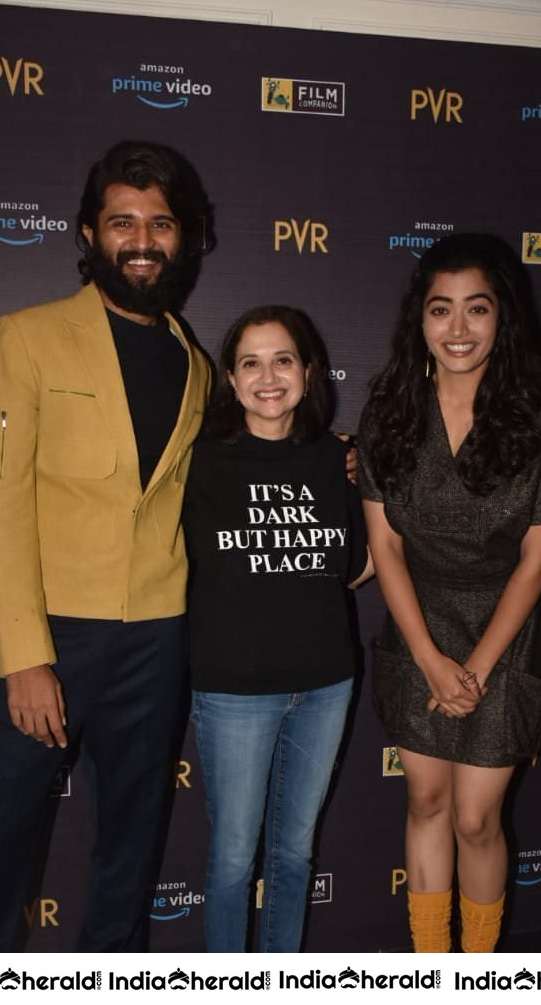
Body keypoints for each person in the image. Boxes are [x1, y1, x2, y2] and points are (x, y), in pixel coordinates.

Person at [0, 140, 214, 952]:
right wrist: (25, 656)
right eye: (121, 221)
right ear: (88, 234)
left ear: (184, 235)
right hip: (51, 634)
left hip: (158, 636)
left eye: (160, 223)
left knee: (132, 847)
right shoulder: (24, 338)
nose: (142, 239)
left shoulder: (194, 361)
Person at [358, 234, 541, 953]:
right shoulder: (388, 416)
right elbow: (385, 546)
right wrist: (429, 658)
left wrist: (479, 668)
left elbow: (536, 561)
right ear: (418, 322)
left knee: (475, 819)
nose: (457, 329)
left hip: (505, 635)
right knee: (425, 800)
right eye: (440, 310)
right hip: (415, 628)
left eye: (475, 310)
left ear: (502, 319)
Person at [182, 305, 371, 952]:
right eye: (250, 362)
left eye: (283, 359)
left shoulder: (338, 458)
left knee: (294, 855)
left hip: (325, 684)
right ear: (230, 380)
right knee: (234, 859)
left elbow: (353, 567)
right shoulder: (197, 463)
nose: (268, 376)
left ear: (308, 371)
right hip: (233, 691)